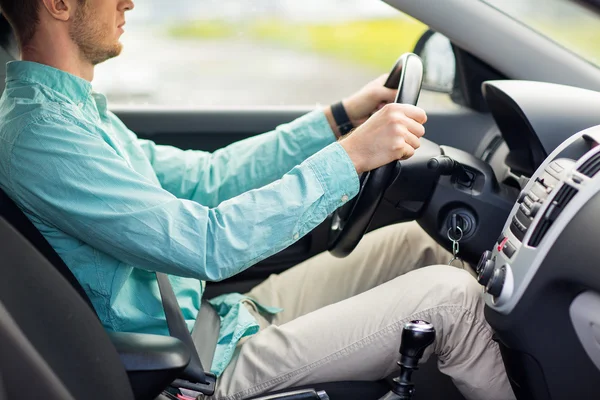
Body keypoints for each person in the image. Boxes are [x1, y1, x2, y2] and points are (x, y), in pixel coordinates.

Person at [0, 0, 515, 399]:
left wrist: (338, 119)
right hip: (198, 370)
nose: (129, 3)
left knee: (416, 244)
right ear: (59, 4)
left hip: (215, 320)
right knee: (453, 300)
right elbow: (206, 244)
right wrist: (350, 157)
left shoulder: (72, 113)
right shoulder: (42, 136)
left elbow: (205, 177)